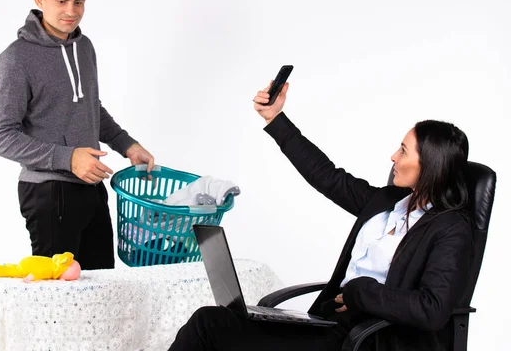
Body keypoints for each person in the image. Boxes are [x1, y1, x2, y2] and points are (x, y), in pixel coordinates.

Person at [169, 81, 472, 350]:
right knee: (212, 321)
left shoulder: (450, 229)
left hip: (367, 338)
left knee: (210, 327)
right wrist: (275, 118)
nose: (393, 156)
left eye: (404, 151)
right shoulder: (387, 200)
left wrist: (359, 293)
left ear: (430, 166)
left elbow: (432, 308)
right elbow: (326, 176)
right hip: (331, 325)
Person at [0, 0, 154, 270]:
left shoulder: (85, 47)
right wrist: (68, 158)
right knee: (56, 301)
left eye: (78, 1)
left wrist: (128, 145)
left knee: (103, 293)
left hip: (91, 187)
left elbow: (91, 108)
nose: (71, 11)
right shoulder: (16, 59)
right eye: (60, 1)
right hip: (49, 192)